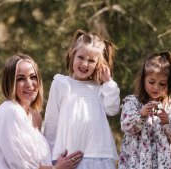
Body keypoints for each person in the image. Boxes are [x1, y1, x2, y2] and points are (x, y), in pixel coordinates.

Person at [0, 54, 83, 169]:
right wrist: (57, 168)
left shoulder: (34, 116)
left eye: (33, 77)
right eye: (20, 79)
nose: (29, 84)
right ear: (10, 83)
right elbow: (22, 166)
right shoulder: (10, 111)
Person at [43, 30, 120, 169]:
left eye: (91, 60)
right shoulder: (61, 84)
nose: (85, 64)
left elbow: (113, 110)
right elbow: (51, 122)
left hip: (98, 155)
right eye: (81, 57)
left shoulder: (100, 87)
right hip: (68, 158)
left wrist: (108, 82)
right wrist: (49, 157)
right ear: (72, 54)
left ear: (98, 64)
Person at [118, 52, 171, 169]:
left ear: (168, 84)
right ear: (143, 79)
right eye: (151, 82)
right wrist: (141, 115)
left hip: (162, 163)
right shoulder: (132, 103)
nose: (156, 87)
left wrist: (167, 121)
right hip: (136, 163)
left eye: (162, 84)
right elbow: (126, 126)